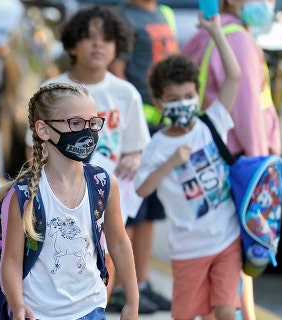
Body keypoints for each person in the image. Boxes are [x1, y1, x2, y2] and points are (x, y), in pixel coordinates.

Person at [22, 5, 152, 313]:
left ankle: (94, 308)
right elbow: (34, 147)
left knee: (105, 255)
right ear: (71, 45)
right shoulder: (50, 91)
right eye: (89, 37)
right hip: (58, 193)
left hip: (104, 194)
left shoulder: (126, 93)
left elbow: (138, 145)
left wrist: (134, 158)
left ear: (118, 46)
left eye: (107, 39)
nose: (98, 45)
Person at [0, 82, 139, 320]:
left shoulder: (103, 183)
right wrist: (16, 303)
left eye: (93, 123)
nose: (87, 130)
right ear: (43, 130)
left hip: (91, 309)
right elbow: (10, 261)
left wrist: (132, 302)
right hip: (38, 313)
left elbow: (120, 243)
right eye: (75, 123)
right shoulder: (24, 195)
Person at [134, 13, 242, 320]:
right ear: (159, 103)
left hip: (226, 238)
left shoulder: (212, 123)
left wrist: (217, 33)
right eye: (173, 98)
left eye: (188, 96)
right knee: (185, 315)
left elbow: (234, 77)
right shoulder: (157, 146)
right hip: (188, 249)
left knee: (224, 309)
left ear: (198, 94)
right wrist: (170, 162)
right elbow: (142, 188)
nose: (182, 103)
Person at [181, 2, 281, 319]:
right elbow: (247, 110)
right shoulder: (237, 40)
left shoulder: (203, 35)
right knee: (232, 261)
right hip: (239, 165)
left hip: (207, 160)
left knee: (222, 257)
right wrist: (260, 167)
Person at [107, 0, 179, 312]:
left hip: (163, 123)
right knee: (131, 207)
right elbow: (118, 73)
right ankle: (122, 284)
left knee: (151, 209)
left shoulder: (165, 13)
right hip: (137, 124)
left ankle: (143, 281)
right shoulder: (123, 17)